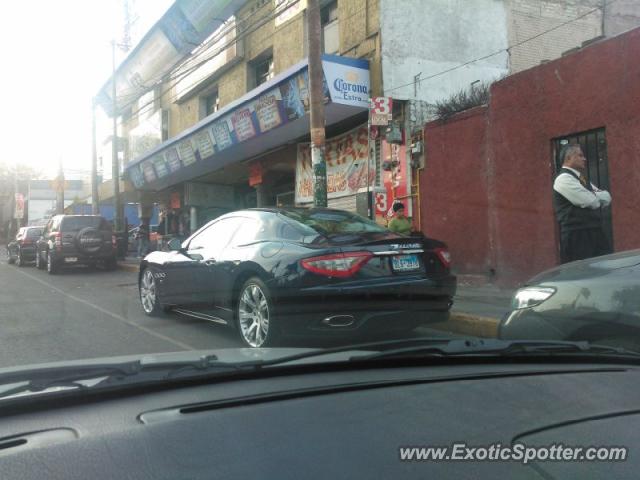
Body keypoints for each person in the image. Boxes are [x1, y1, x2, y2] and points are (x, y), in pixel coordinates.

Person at [553, 144, 612, 263]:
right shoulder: (563, 179)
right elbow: (590, 201)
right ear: (568, 158)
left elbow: (607, 197)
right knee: (583, 275)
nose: (584, 158)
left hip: (595, 231)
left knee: (606, 269)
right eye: (580, 155)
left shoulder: (581, 179)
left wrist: (591, 195)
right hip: (577, 236)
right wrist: (594, 197)